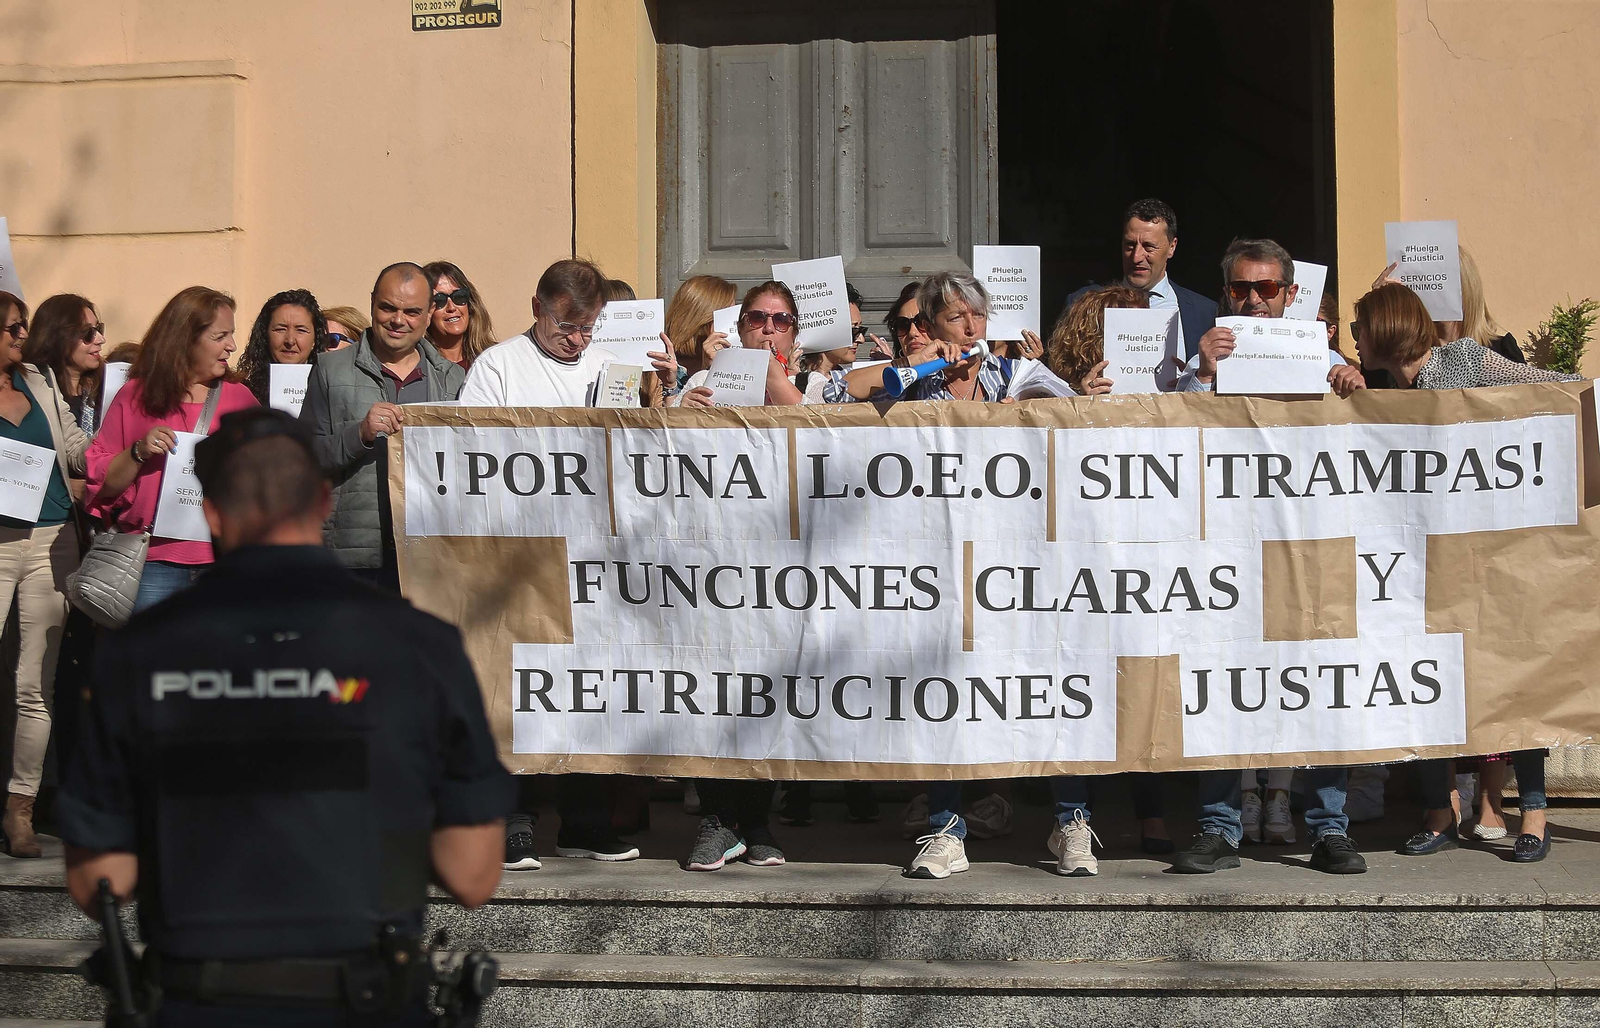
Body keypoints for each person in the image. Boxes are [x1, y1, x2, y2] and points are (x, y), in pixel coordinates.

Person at [58, 407, 512, 1026]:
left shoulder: (138, 653)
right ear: (324, 501)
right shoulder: (420, 647)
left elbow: (98, 881)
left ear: (210, 511)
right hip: (367, 1000)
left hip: (198, 1002)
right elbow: (473, 874)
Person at [1347, 281, 1578, 864]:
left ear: (1389, 329)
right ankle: (1439, 809)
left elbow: (1549, 395)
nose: (1355, 338)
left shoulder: (1466, 361)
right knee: (1426, 678)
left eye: (1362, 327)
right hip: (1422, 564)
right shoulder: (1380, 387)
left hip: (1497, 558)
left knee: (1516, 676)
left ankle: (1534, 811)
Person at [86, 287, 259, 611]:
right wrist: (139, 451)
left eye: (231, 335)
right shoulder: (135, 396)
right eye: (220, 336)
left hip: (223, 564)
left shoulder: (241, 399)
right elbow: (103, 485)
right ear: (186, 339)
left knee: (215, 661)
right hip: (151, 564)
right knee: (152, 661)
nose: (232, 346)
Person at [300, 263, 464, 591]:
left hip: (431, 556)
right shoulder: (329, 370)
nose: (397, 320)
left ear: (431, 311)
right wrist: (358, 434)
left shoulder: (454, 380)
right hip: (353, 557)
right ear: (372, 302)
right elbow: (303, 460)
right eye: (387, 307)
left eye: (411, 311)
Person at [0, 291, 89, 858]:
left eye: (21, 325)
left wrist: (128, 446)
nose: (19, 334)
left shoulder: (40, 380)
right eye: (9, 327)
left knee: (36, 683)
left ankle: (20, 807)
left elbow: (76, 450)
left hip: (51, 540)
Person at [459, 258, 678, 408]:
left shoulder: (610, 365)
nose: (576, 339)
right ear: (537, 308)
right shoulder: (497, 367)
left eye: (587, 328)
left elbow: (629, 442)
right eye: (565, 326)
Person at [1179, 238, 1368, 400]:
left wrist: (1355, 392)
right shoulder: (1202, 362)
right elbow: (1181, 428)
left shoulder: (1327, 361)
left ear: (1290, 294)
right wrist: (1204, 376)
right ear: (1228, 294)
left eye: (1267, 288)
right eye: (1241, 289)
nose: (1253, 300)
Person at [1064, 198, 1216, 362]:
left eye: (1149, 246)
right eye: (1129, 245)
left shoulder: (1205, 313)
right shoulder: (1083, 303)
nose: (1136, 257)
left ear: (1172, 247)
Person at [23, 293, 105, 434]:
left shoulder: (104, 389)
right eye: (88, 332)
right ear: (58, 337)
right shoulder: (34, 391)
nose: (101, 339)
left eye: (98, 329)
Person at [236, 289, 330, 405]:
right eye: (280, 329)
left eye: (301, 330)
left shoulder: (330, 393)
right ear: (265, 335)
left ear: (315, 339)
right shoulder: (244, 394)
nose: (290, 341)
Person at [663, 273, 733, 409]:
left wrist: (714, 368)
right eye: (728, 317)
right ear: (703, 319)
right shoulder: (664, 366)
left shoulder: (734, 359)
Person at [423, 260, 496, 370]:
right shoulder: (420, 366)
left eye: (459, 296)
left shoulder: (494, 358)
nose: (451, 307)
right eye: (439, 300)